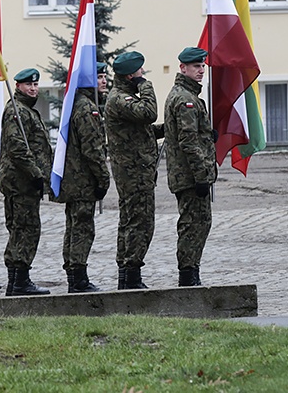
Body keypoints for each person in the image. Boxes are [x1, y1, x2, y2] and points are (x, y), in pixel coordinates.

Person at [104, 51, 162, 289]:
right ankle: (131, 275)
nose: (143, 74)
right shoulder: (120, 99)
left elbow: (143, 130)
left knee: (132, 220)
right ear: (130, 75)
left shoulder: (125, 97)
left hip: (137, 170)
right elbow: (148, 114)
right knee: (139, 222)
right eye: (140, 71)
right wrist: (146, 86)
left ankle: (127, 276)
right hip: (134, 172)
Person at [164, 46, 217, 287]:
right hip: (189, 176)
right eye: (196, 66)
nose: (201, 70)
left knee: (199, 222)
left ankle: (191, 271)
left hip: (190, 174)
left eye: (203, 66)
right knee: (193, 224)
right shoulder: (185, 99)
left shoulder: (190, 96)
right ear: (183, 68)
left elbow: (194, 135)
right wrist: (201, 175)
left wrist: (208, 134)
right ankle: (187, 274)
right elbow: (188, 141)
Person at [56, 61, 110, 293]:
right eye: (99, 77)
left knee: (74, 226)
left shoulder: (75, 104)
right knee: (82, 228)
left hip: (74, 180)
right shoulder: (87, 108)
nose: (104, 81)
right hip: (82, 181)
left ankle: (74, 274)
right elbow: (93, 149)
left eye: (104, 76)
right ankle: (78, 278)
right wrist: (103, 179)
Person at [0, 68, 52, 296]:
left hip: (26, 182)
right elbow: (18, 148)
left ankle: (17, 280)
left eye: (36, 85)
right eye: (28, 85)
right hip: (20, 182)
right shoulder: (16, 111)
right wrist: (36, 173)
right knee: (24, 229)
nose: (33, 88)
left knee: (25, 228)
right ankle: (19, 280)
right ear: (18, 86)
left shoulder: (28, 110)